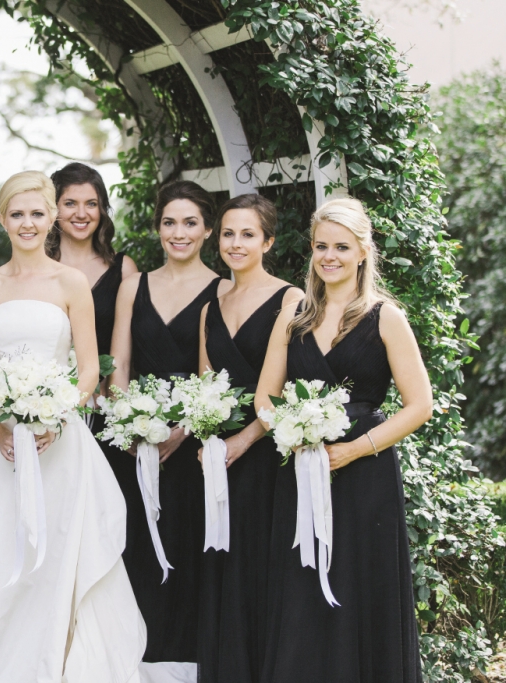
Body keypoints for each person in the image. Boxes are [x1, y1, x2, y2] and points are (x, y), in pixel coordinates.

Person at [0, 171, 145, 683]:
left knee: (54, 558)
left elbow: (88, 368)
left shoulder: (71, 283)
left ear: (53, 218)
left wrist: (56, 419)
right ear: (2, 219)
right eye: (17, 214)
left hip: (59, 444)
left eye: (37, 213)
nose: (28, 223)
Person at [255, 198, 430, 683]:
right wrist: (288, 434)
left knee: (360, 586)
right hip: (303, 470)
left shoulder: (385, 316)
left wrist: (355, 449)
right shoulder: (294, 315)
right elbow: (265, 398)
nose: (328, 256)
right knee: (302, 589)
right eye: (320, 246)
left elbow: (420, 405)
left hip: (365, 477)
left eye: (340, 246)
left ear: (361, 252)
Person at [109, 180, 232, 681]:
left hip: (190, 449)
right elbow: (118, 366)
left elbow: (214, 376)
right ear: (157, 226)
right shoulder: (132, 287)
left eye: (189, 223)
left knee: (187, 554)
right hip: (132, 445)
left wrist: (182, 430)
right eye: (168, 222)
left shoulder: (223, 289)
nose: (177, 233)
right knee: (132, 549)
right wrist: (132, 422)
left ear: (207, 230)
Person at [196, 195, 303, 683]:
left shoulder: (290, 300)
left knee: (263, 568)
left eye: (247, 234)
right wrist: (210, 436)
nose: (235, 244)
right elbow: (205, 385)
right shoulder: (209, 306)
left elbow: (282, 386)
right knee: (223, 563)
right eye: (227, 234)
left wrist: (246, 439)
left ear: (269, 241)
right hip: (220, 457)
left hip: (267, 457)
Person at [46, 162, 137, 360]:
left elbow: (129, 350)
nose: (81, 213)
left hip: (105, 388)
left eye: (91, 204)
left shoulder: (123, 269)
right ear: (54, 209)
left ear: (102, 209)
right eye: (70, 203)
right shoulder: (37, 268)